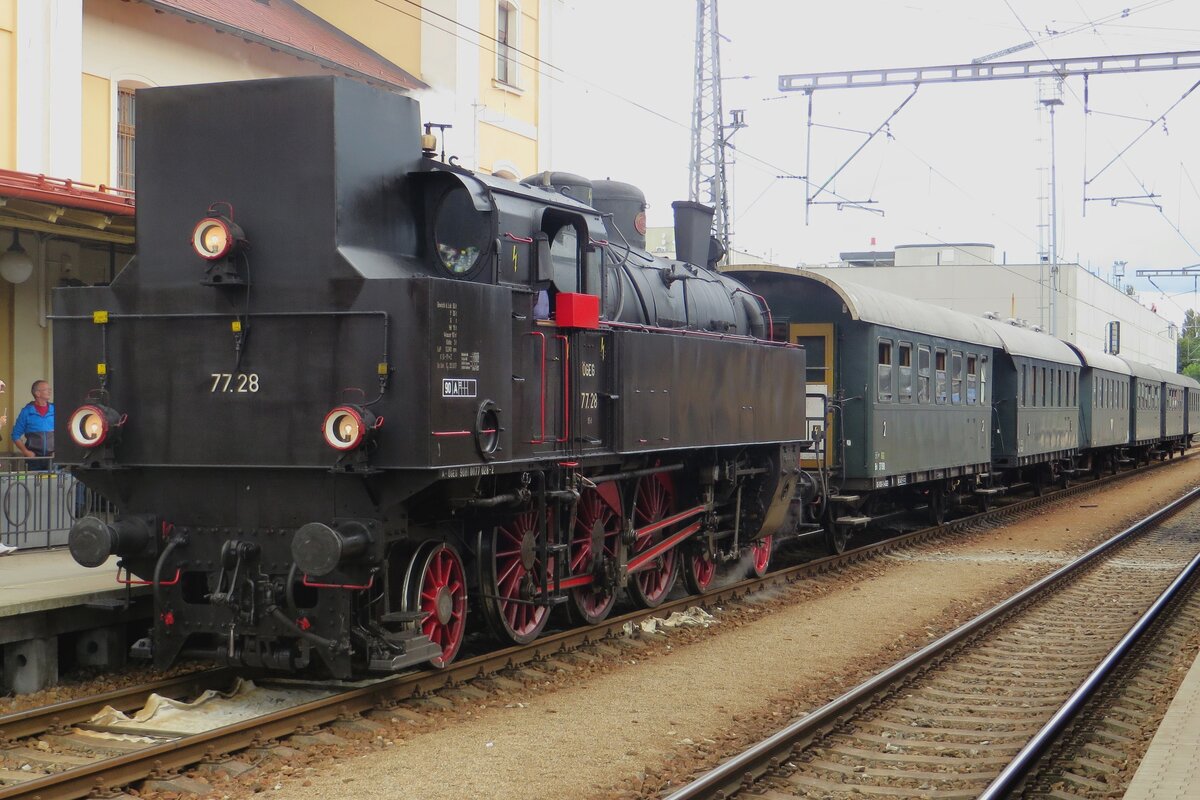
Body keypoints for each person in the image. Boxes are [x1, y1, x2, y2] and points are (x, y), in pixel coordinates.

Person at [13, 380, 54, 471]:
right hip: (33, 459)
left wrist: (59, 451)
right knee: (35, 484)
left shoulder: (55, 409)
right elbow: (15, 435)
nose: (50, 391)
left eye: (49, 389)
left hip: (52, 458)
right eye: (46, 389)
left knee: (54, 484)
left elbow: (63, 432)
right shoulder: (26, 411)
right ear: (37, 393)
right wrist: (26, 451)